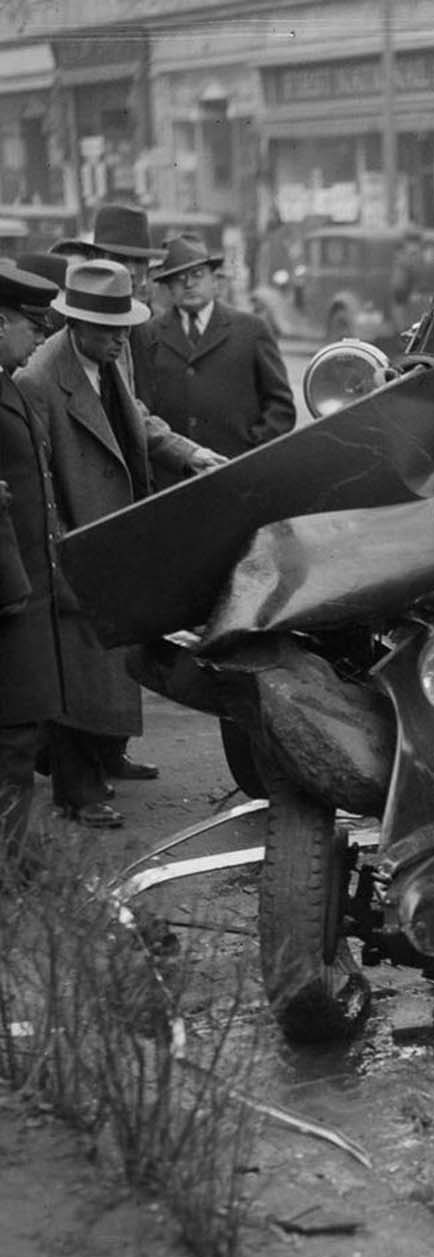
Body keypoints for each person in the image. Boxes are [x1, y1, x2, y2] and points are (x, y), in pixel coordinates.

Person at [16, 260, 226, 828]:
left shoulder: (111, 355)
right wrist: (59, 554)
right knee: (78, 665)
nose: (120, 339)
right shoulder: (38, 379)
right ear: (75, 325)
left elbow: (133, 417)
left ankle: (108, 756)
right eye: (108, 330)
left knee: (109, 655)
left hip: (114, 526)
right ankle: (77, 792)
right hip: (77, 540)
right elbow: (38, 476)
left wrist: (188, 452)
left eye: (124, 328)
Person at [0, 259, 62, 880]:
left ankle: (18, 854)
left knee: (21, 732)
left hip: (25, 584)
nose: (41, 337)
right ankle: (13, 864)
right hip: (7, 593)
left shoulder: (10, 381)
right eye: (31, 324)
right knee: (14, 737)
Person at [136, 235, 295, 458]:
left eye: (197, 275)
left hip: (236, 472)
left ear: (215, 281)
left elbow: (281, 407)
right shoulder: (149, 334)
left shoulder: (252, 330)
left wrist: (251, 452)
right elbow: (141, 407)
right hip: (173, 477)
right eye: (179, 279)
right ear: (169, 287)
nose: (189, 284)